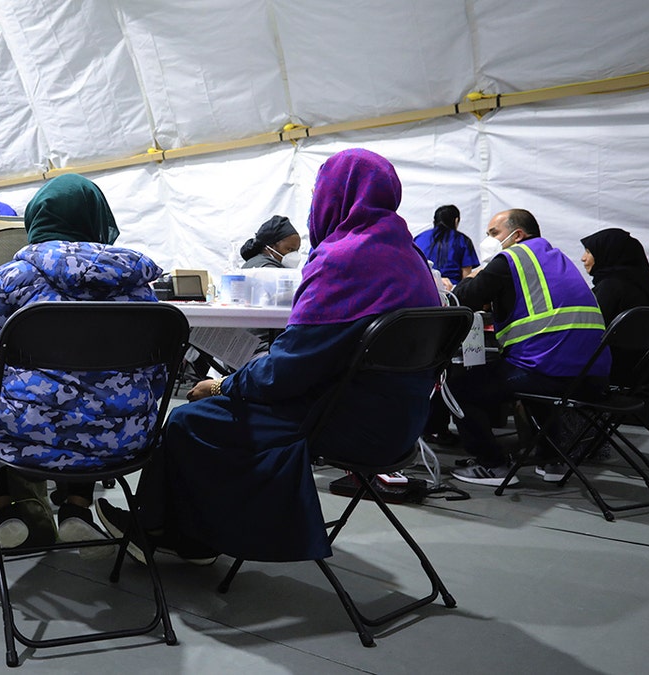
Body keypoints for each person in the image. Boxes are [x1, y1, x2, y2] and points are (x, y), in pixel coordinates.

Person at [96, 148, 441, 565]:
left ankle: (158, 530)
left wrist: (224, 383)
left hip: (342, 421)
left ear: (336, 194)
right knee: (219, 414)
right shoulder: (411, 257)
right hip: (401, 424)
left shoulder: (345, 259)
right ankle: (197, 534)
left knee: (189, 420)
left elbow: (286, 372)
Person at [0, 173, 162, 573]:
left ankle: (3, 512)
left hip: (25, 441)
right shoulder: (138, 288)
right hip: (124, 442)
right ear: (98, 218)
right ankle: (77, 510)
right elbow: (158, 377)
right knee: (94, 399)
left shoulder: (7, 281)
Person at [446, 209, 609, 485]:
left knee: (458, 385)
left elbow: (464, 299)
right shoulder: (558, 259)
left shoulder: (512, 258)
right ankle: (552, 460)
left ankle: (492, 465)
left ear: (517, 234)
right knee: (532, 383)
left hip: (550, 372)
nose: (489, 239)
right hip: (593, 376)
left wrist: (473, 275)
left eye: (493, 233)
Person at [581, 227, 649, 385]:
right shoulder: (645, 285)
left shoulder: (610, 287)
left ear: (607, 253)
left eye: (589, 252)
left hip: (614, 372)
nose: (583, 258)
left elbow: (589, 331)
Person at [414, 205, 479, 286]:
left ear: (434, 221)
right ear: (456, 220)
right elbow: (466, 277)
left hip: (424, 287)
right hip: (451, 290)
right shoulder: (462, 240)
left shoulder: (419, 238)